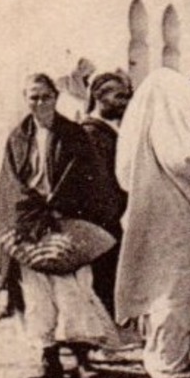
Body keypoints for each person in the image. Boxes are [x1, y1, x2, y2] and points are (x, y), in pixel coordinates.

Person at [0, 73, 120, 378]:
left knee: (74, 289)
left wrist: (62, 204)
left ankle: (82, 359)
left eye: (45, 97)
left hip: (67, 219)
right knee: (37, 295)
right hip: (31, 223)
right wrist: (32, 209)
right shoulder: (17, 137)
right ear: (26, 100)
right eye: (33, 97)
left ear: (56, 98)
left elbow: (90, 179)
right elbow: (10, 183)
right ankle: (48, 359)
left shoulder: (74, 134)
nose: (39, 103)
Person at [114, 68, 190, 378]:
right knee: (176, 290)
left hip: (153, 216)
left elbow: (123, 175)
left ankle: (167, 357)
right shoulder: (175, 139)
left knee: (160, 287)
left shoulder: (145, 128)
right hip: (177, 220)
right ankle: (167, 363)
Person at [79, 71, 132, 315]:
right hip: (103, 221)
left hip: (114, 219)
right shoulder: (90, 133)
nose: (125, 102)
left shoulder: (110, 131)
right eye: (119, 96)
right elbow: (99, 185)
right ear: (99, 97)